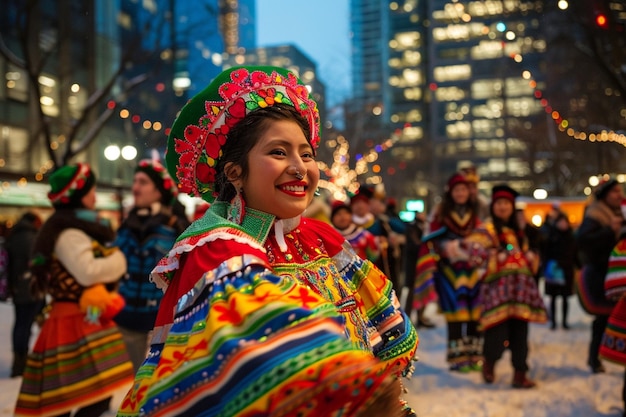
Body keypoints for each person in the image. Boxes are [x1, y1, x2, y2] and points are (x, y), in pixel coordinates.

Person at [118, 66, 418, 417]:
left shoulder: (322, 236)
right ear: (235, 173)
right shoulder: (215, 247)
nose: (299, 167)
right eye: (278, 152)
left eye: (306, 154)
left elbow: (381, 330)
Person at [14, 163, 134, 417]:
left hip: (81, 316)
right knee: (78, 397)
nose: (94, 196)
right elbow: (87, 271)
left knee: (81, 395)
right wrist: (118, 260)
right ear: (79, 195)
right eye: (90, 190)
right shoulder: (70, 232)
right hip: (74, 320)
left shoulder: (72, 227)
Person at [466, 184, 547, 388]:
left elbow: (530, 258)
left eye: (507, 203)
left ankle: (520, 374)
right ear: (493, 206)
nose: (503, 207)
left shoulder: (519, 231)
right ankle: (489, 365)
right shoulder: (486, 229)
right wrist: (495, 256)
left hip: (520, 291)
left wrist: (530, 256)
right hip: (498, 291)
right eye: (499, 203)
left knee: (521, 333)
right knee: (496, 331)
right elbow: (474, 257)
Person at [113, 158, 190, 372]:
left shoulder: (176, 225)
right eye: (135, 181)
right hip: (126, 318)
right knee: (135, 382)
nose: (135, 187)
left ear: (159, 191)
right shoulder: (126, 225)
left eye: (143, 182)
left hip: (163, 322)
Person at [415, 172, 483, 372]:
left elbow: (482, 237)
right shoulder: (441, 214)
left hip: (472, 270)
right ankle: (457, 359)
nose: (460, 193)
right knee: (455, 314)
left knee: (473, 314)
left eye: (463, 189)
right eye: (457, 190)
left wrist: (473, 246)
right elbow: (432, 239)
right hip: (449, 270)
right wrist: (451, 247)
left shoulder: (474, 213)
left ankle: (474, 357)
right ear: (450, 193)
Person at [576, 178, 625, 373]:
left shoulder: (618, 212)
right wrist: (609, 230)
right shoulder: (596, 214)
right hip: (601, 275)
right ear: (605, 195)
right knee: (603, 318)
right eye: (614, 191)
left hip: (616, 274)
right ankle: (595, 358)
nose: (619, 195)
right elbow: (583, 241)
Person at [5, 212, 45, 377]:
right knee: (26, 324)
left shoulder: (13, 236)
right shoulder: (31, 238)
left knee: (20, 324)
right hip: (30, 288)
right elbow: (36, 261)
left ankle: (18, 361)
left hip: (17, 288)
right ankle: (23, 362)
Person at [540, 210, 577, 330]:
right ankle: (554, 322)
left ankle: (565, 322)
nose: (563, 224)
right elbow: (545, 253)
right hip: (553, 270)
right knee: (553, 298)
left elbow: (574, 254)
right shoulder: (551, 237)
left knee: (565, 298)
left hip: (566, 271)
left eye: (564, 222)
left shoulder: (571, 237)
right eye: (560, 222)